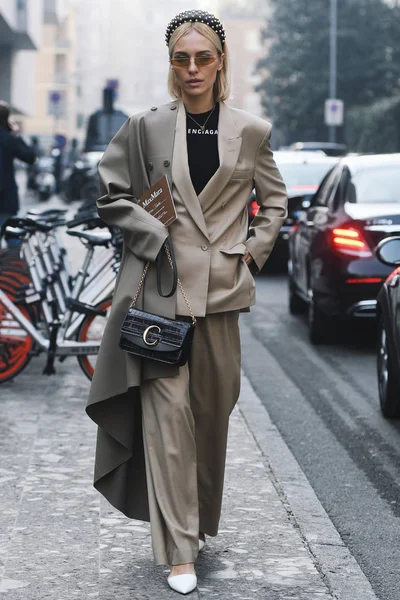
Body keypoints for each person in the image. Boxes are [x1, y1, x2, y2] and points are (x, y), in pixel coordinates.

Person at [86, 9, 288, 595]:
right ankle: (178, 550)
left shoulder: (250, 130)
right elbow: (111, 193)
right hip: (160, 293)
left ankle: (195, 526)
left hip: (222, 296)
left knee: (210, 419)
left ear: (220, 60)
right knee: (168, 421)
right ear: (170, 64)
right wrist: (152, 234)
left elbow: (273, 203)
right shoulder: (146, 126)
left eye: (202, 57)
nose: (192, 68)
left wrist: (250, 252)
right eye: (181, 58)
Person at [0, 101, 36, 247]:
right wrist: (17, 135)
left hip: (6, 200)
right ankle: (13, 268)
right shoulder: (9, 139)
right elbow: (30, 157)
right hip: (7, 200)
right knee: (13, 240)